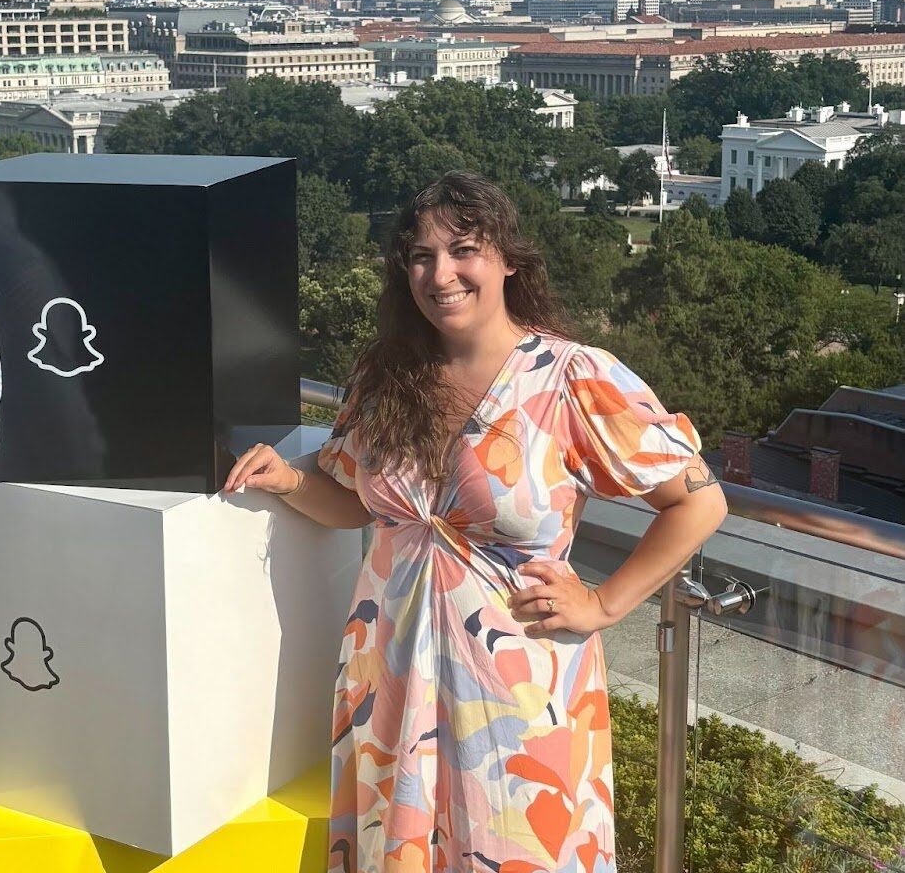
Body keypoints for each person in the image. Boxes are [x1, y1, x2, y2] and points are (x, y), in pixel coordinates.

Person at [225, 171, 726, 872]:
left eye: (463, 250)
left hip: (516, 690)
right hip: (389, 679)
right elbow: (359, 505)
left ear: (508, 260)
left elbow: (699, 500)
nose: (440, 274)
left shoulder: (571, 378)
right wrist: (285, 482)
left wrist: (605, 602)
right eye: (420, 256)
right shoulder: (385, 374)